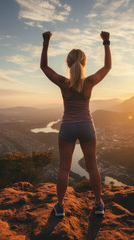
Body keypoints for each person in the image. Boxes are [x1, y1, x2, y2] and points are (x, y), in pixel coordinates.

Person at [40, 30, 111, 217]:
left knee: (64, 167)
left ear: (68, 63)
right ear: (84, 63)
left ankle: (60, 207)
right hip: (87, 126)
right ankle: (98, 205)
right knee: (92, 166)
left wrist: (46, 42)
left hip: (67, 128)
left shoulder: (64, 83)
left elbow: (44, 67)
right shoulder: (89, 82)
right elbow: (107, 67)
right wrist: (106, 42)